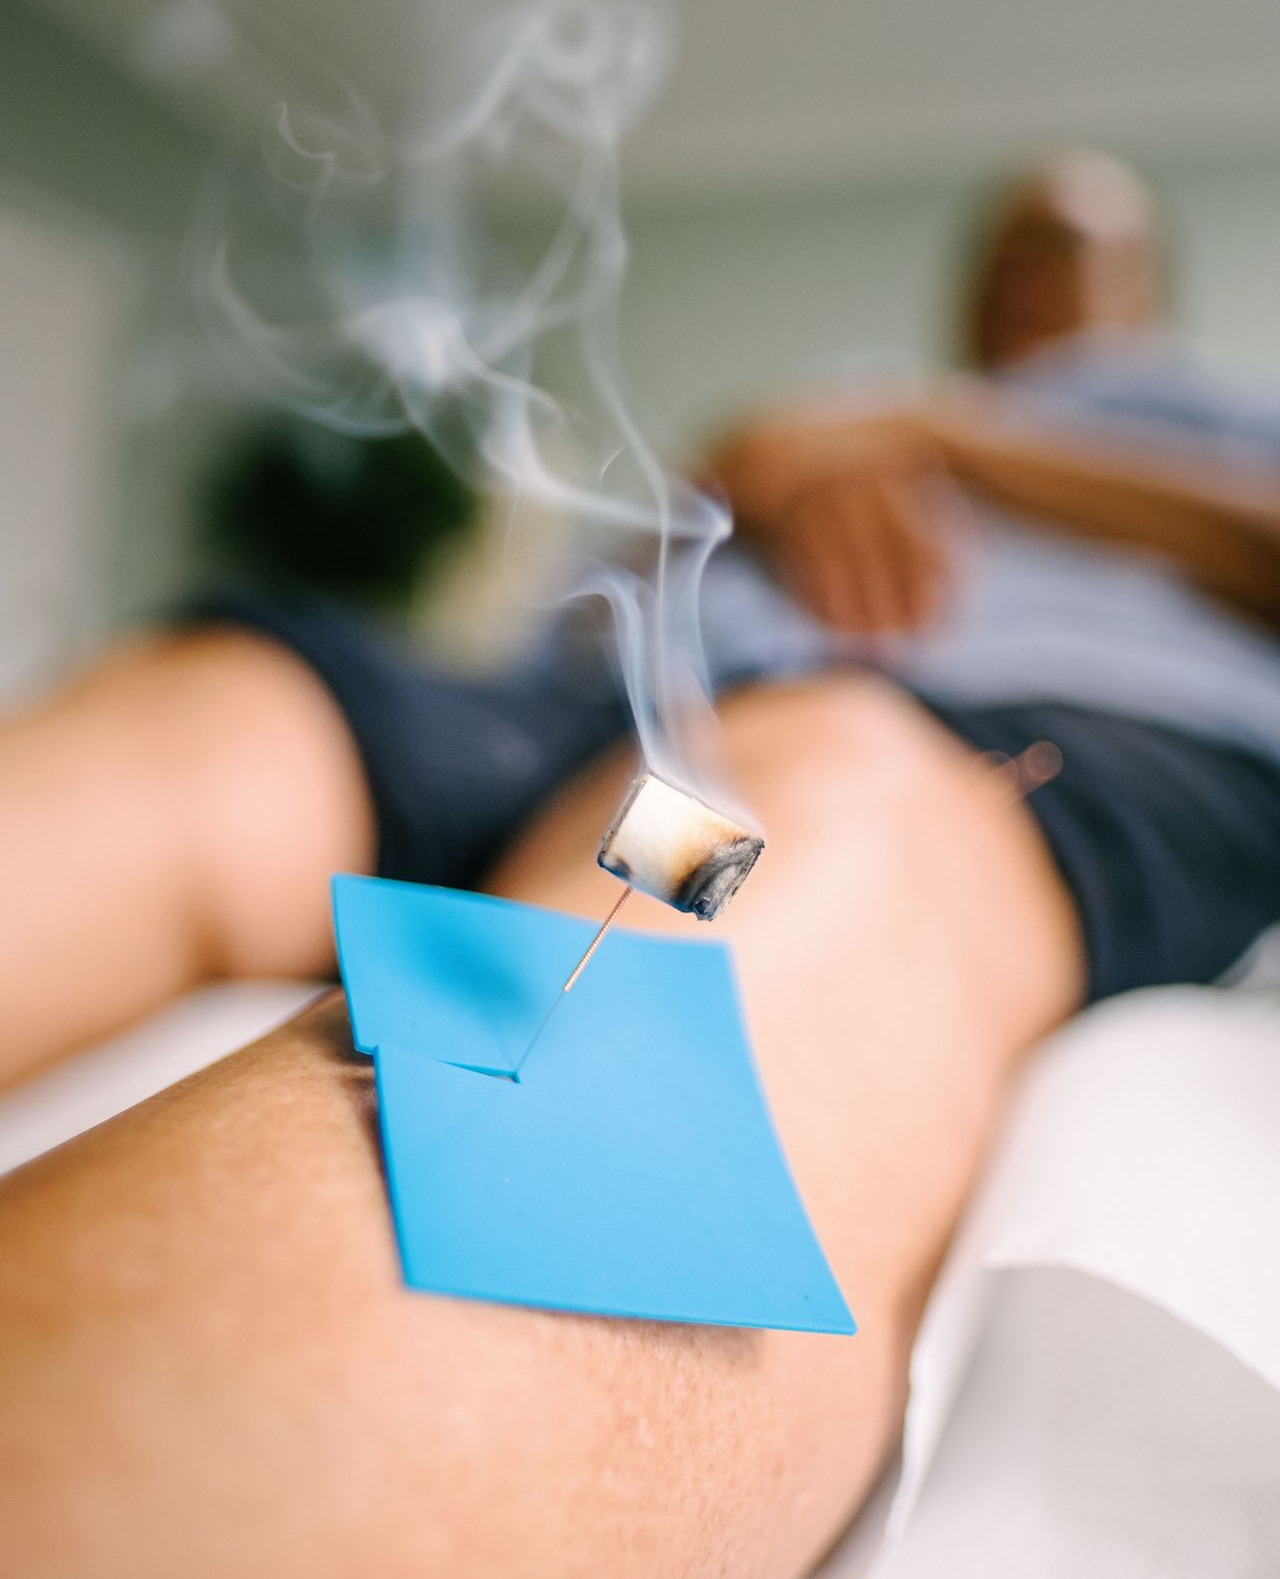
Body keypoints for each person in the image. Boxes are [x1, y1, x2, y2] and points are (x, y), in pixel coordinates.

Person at [0, 151, 1278, 1576]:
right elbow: (591, 607)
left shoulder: (1215, 427)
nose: (1038, 283)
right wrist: (752, 474)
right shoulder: (808, 426)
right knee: (217, 719)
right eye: (1011, 255)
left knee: (758, 861)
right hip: (600, 707)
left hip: (958, 741)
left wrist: (944, 438)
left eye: (1075, 250)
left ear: (1151, 286)